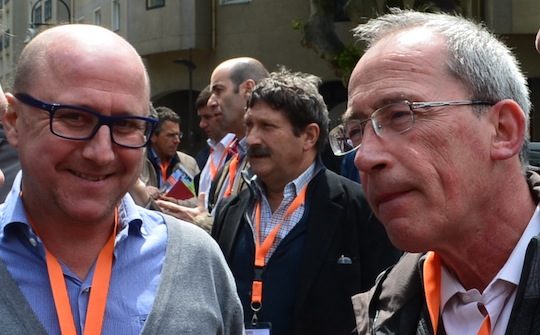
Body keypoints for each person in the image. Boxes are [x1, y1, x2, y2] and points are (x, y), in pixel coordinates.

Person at [0, 24, 243, 334]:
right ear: (14, 121)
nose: (102, 153)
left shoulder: (197, 261)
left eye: (127, 124)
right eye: (74, 117)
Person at [334, 9, 537, 334]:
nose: (364, 158)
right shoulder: (382, 313)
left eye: (400, 115)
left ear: (503, 130)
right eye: (357, 131)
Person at [212, 68, 401, 335]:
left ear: (309, 136)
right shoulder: (230, 211)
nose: (252, 139)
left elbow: (387, 311)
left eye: (267, 126)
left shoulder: (360, 209)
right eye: (249, 125)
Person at [157, 57, 269, 228]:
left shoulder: (271, 160)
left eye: (218, 90)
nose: (211, 102)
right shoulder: (232, 160)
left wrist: (202, 222)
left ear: (248, 89)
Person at [140, 106, 199, 201]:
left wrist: (173, 202)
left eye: (178, 135)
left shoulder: (189, 164)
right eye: (171, 135)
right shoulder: (136, 161)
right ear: (153, 136)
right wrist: (142, 192)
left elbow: (197, 203)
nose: (177, 140)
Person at [196, 85, 236, 212]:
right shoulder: (205, 154)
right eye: (200, 118)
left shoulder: (239, 153)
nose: (202, 124)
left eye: (207, 117)